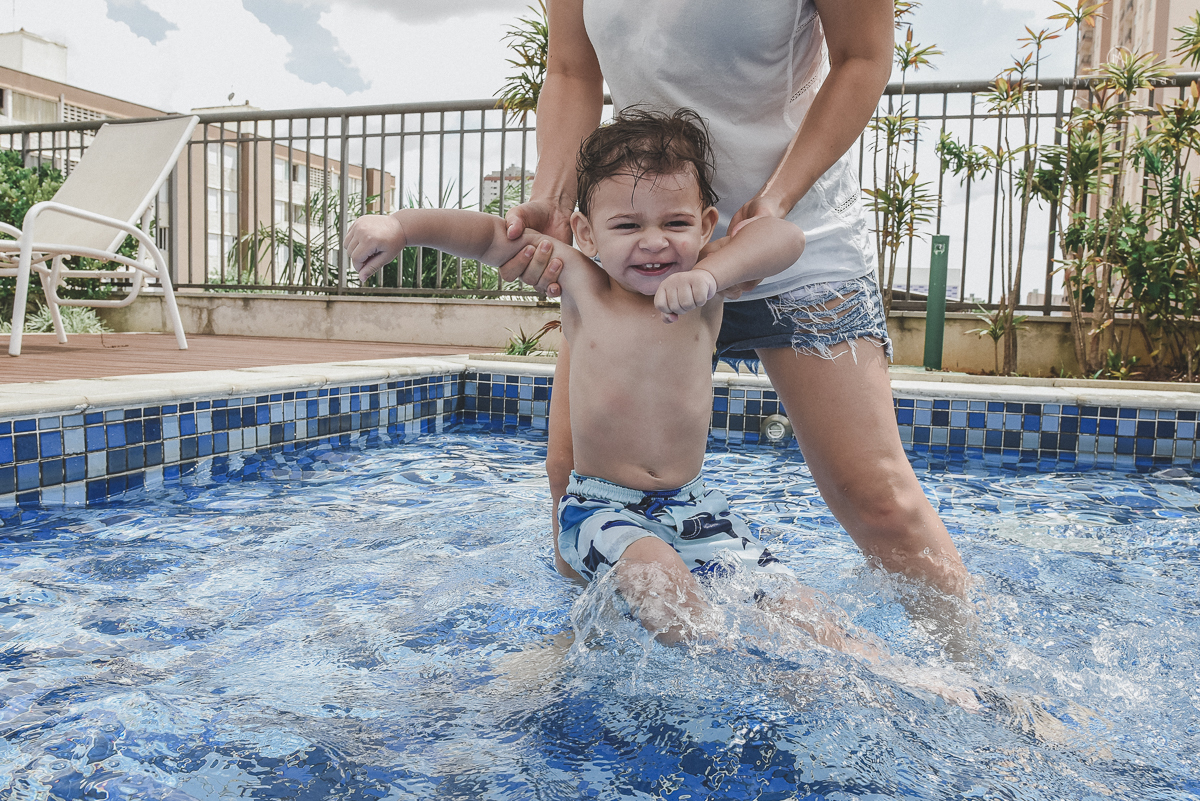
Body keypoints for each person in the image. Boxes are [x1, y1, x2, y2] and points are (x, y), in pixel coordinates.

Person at [346, 108, 884, 656]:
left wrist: (711, 273)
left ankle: (888, 674)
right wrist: (401, 227)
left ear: (705, 224)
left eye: (675, 224)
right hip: (601, 506)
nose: (653, 242)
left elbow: (785, 237)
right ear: (587, 232)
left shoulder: (708, 286)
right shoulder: (584, 285)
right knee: (666, 589)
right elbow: (490, 238)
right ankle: (727, 668)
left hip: (695, 506)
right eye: (627, 226)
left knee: (796, 607)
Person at [498, 0, 970, 600]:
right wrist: (552, 199)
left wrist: (774, 201)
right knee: (575, 481)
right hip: (641, 258)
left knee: (879, 501)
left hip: (788, 239)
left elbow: (863, 56)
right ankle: (593, 649)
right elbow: (571, 70)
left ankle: (971, 661)